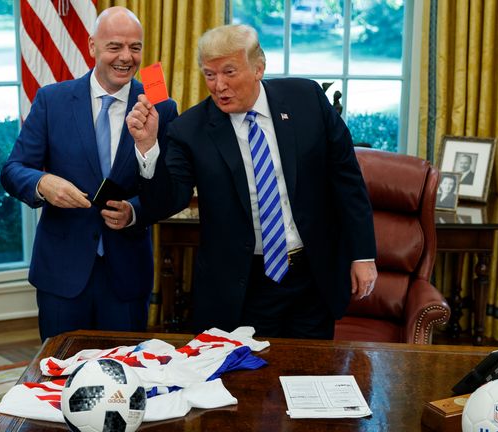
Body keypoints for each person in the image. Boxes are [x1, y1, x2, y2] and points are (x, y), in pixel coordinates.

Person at [127, 24, 377, 339]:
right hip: (242, 286)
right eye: (209, 75)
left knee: (309, 377)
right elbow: (166, 201)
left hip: (312, 276)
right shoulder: (189, 129)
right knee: (243, 383)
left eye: (229, 72)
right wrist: (148, 147)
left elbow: (347, 180)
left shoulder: (306, 100)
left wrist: (363, 254)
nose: (219, 86)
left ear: (258, 68)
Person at [0, 7, 177, 341]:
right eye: (115, 47)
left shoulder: (160, 106)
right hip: (61, 273)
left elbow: (169, 190)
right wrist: (42, 183)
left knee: (124, 380)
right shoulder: (52, 100)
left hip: (126, 273)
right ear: (92, 46)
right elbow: (12, 170)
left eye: (135, 47)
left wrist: (135, 210)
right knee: (57, 379)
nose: (126, 57)